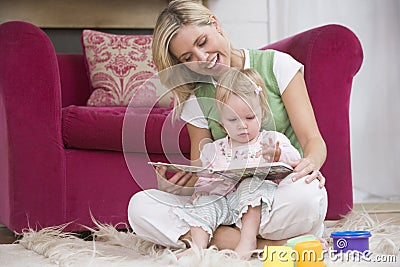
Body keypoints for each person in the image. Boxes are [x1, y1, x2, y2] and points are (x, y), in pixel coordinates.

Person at [128, 0, 327, 255]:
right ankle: (271, 246)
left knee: (307, 198)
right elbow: (203, 174)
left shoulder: (277, 65)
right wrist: (178, 185)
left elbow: (313, 140)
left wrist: (310, 162)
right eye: (188, 57)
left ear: (215, 24)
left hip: (278, 199)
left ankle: (226, 238)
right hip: (224, 204)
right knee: (141, 206)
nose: (203, 58)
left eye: (202, 42)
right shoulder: (197, 99)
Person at [173, 68, 301, 259]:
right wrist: (210, 178)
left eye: (249, 118)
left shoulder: (271, 140)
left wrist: (278, 154)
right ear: (222, 122)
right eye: (233, 119)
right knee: (203, 202)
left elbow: (295, 160)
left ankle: (248, 241)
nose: (242, 125)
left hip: (257, 208)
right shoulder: (215, 150)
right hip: (224, 204)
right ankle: (197, 247)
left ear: (262, 113)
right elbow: (204, 184)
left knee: (251, 184)